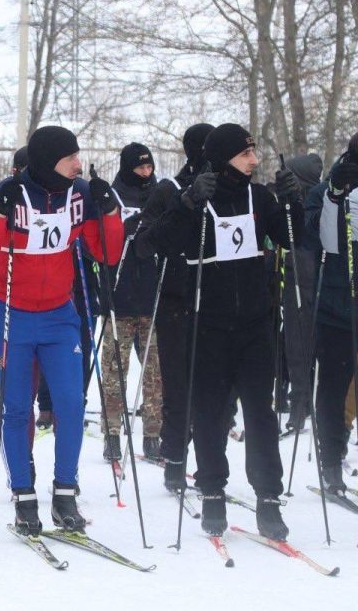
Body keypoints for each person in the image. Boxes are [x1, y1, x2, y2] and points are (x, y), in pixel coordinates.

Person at [0, 125, 123, 534]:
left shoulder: (81, 192)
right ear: (47, 160)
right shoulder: (9, 191)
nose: (78, 162)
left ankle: (66, 491)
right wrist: (1, 214)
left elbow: (107, 253)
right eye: (70, 156)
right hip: (11, 315)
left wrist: (108, 213)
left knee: (71, 403)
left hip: (59, 316)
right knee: (18, 407)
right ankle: (24, 495)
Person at [150, 123, 301, 540]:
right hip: (210, 324)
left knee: (261, 413)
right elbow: (160, 243)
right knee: (210, 412)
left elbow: (292, 238)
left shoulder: (259, 197)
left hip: (255, 325)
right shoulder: (203, 198)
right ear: (224, 158)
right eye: (245, 153)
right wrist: (188, 202)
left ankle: (268, 497)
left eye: (254, 151)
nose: (254, 159)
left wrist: (292, 202)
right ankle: (212, 490)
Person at [135, 122, 213, 490]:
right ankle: (175, 461)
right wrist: (183, 206)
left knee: (214, 390)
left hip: (217, 300)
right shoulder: (170, 188)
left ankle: (211, 462)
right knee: (179, 389)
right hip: (176, 300)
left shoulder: (228, 190)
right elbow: (144, 243)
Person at [99, 143, 163, 462]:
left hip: (152, 298)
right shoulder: (113, 196)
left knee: (154, 372)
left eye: (149, 167)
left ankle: (153, 435)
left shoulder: (159, 194)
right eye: (139, 168)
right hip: (119, 297)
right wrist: (123, 233)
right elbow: (97, 245)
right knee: (114, 372)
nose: (145, 173)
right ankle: (112, 434)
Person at [305, 136, 357, 496]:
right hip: (338, 307)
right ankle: (331, 458)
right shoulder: (329, 189)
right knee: (333, 389)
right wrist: (335, 197)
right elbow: (320, 242)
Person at [280, 153, 322, 431]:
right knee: (294, 345)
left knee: (305, 346)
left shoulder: (314, 204)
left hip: (311, 283)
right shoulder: (286, 204)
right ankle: (298, 401)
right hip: (293, 281)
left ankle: (305, 402)